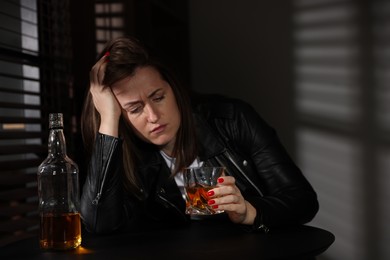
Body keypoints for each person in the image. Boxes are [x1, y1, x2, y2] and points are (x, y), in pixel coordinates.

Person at [80, 36, 319, 234]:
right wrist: (109, 119)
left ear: (173, 88)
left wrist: (249, 211)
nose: (153, 116)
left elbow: (303, 200)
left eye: (158, 97)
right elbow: (99, 226)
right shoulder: (126, 155)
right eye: (135, 109)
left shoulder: (231, 118)